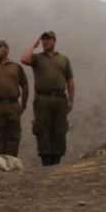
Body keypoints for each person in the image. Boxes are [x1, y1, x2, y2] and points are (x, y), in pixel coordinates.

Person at [20, 31, 75, 166]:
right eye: (44, 39)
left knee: (59, 129)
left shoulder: (63, 59)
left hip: (60, 98)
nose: (46, 42)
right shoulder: (37, 58)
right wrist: (34, 45)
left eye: (48, 39)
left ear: (54, 41)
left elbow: (70, 80)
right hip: (42, 99)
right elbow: (24, 59)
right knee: (42, 129)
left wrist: (71, 100)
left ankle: (56, 159)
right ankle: (46, 160)